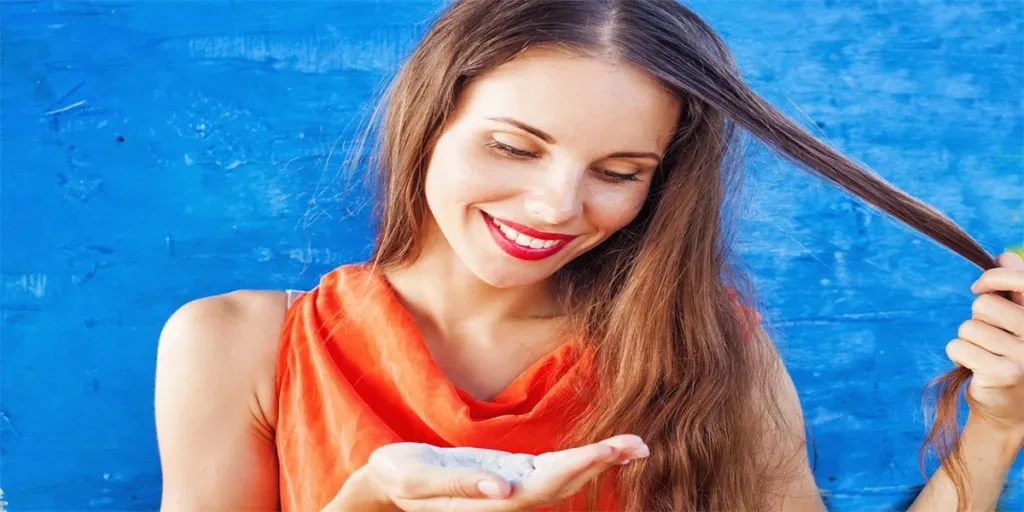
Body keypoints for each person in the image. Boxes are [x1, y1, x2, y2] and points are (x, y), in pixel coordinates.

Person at [154, 1, 1024, 510]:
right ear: (431, 123)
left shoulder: (713, 346)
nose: (555, 208)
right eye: (515, 147)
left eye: (619, 171)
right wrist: (371, 500)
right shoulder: (234, 346)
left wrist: (1000, 420)